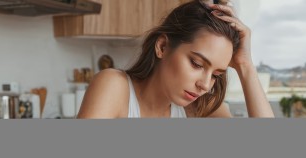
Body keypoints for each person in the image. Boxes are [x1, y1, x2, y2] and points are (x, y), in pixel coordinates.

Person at [77, 0, 274, 118]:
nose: (205, 85)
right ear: (162, 46)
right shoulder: (114, 86)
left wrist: (245, 65)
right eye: (196, 64)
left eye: (215, 74)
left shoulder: (198, 106)